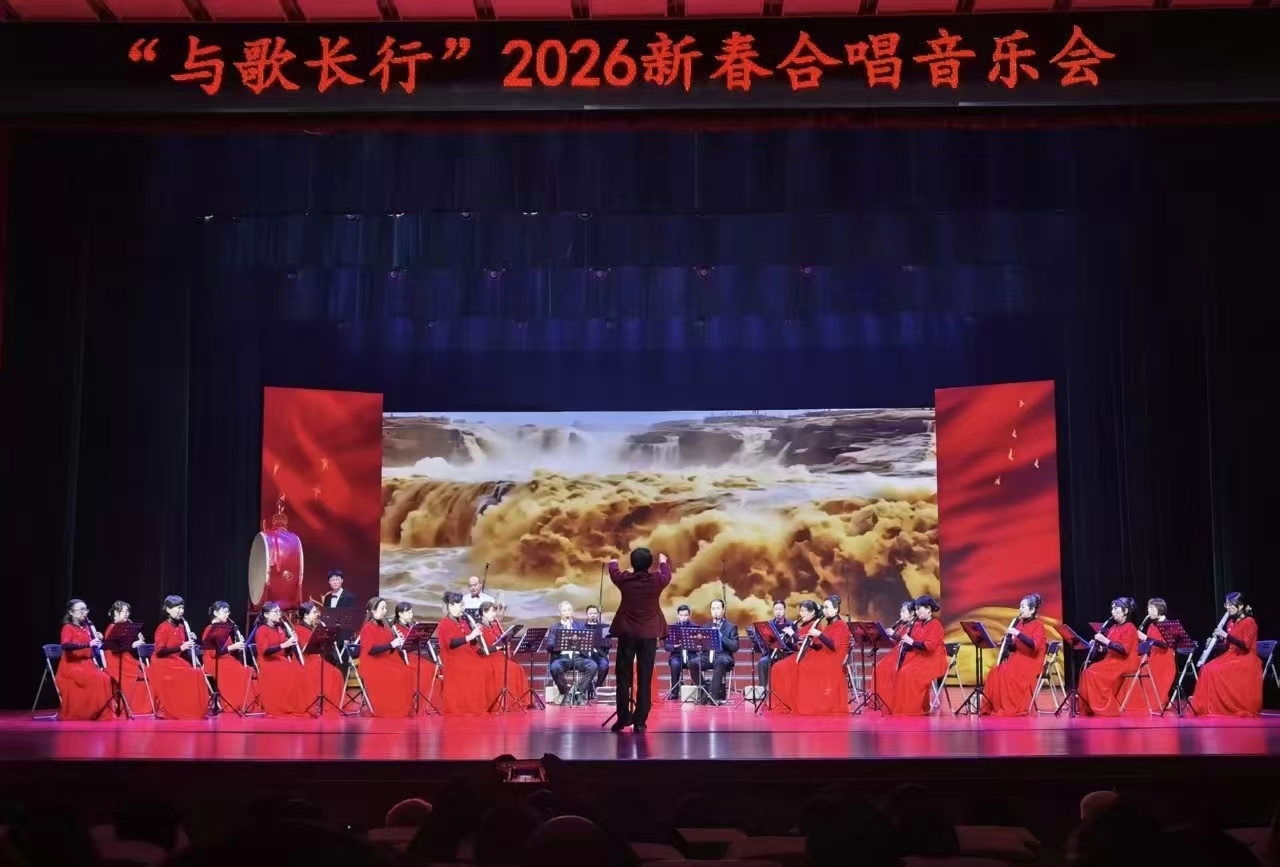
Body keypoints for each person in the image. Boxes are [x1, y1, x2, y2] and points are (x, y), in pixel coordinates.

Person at [608, 547, 672, 732]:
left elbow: (613, 571)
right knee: (645, 677)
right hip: (648, 635)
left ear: (632, 563)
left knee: (623, 677)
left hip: (627, 633)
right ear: (649, 564)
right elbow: (666, 574)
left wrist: (613, 560)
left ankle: (623, 717)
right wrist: (663, 562)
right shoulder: (656, 580)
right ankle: (640, 721)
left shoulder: (625, 580)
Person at [769, 596, 851, 714]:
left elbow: (834, 646)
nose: (824, 611)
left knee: (802, 666)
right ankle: (787, 702)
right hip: (824, 655)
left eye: (827, 607)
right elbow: (820, 647)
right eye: (824, 608)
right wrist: (811, 643)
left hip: (833, 659)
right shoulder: (829, 625)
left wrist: (819, 634)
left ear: (836, 609)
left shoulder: (841, 625)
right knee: (782, 666)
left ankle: (802, 703)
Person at [1192, 591, 1262, 717]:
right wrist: (1214, 643)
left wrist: (1225, 635)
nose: (1228, 607)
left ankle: (1222, 705)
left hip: (1246, 658)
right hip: (1232, 655)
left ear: (1240, 606)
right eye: (1226, 604)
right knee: (1206, 668)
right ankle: (1208, 705)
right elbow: (1226, 646)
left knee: (1214, 671)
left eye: (1231, 604)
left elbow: (1245, 645)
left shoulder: (1249, 621)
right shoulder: (1231, 623)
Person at [980, 594, 1048, 716]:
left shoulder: (1038, 625)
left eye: (1023, 607)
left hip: (1031, 661)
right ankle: (998, 705)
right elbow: (1015, 647)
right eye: (1020, 606)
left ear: (1032, 610)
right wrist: (1007, 642)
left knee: (1007, 675)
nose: (1020, 609)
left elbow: (1034, 645)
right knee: (995, 672)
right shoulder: (1020, 624)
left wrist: (1017, 633)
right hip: (1018, 658)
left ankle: (1009, 706)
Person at [885, 595, 948, 716]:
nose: (917, 612)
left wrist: (911, 642)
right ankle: (906, 706)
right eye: (916, 609)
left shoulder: (936, 624)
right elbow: (911, 642)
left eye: (920, 608)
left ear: (928, 609)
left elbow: (930, 646)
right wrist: (901, 639)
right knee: (901, 671)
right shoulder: (918, 624)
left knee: (908, 673)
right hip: (921, 656)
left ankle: (913, 708)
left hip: (934, 658)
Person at [1077, 596, 1140, 717]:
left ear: (1125, 611)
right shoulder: (1114, 627)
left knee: (1093, 673)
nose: (1112, 611)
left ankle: (1104, 706)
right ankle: (1089, 706)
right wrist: (1100, 647)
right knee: (1088, 671)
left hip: (1125, 662)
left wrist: (1105, 640)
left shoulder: (1130, 628)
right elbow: (1110, 648)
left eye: (1116, 609)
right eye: (1112, 609)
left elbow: (1124, 650)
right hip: (1112, 660)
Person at [249, 602, 312, 718]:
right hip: (267, 663)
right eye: (276, 612)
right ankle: (285, 705)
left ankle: (296, 704)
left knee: (301, 671)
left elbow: (285, 652)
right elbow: (265, 651)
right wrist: (285, 644)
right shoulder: (262, 630)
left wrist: (292, 642)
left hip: (279, 660)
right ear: (266, 615)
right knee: (293, 673)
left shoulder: (279, 628)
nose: (279, 614)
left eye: (279, 611)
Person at [151, 595, 210, 719]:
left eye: (182, 608)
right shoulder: (163, 627)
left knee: (198, 673)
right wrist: (181, 647)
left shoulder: (181, 627)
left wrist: (189, 639)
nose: (181, 611)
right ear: (168, 609)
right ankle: (182, 709)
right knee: (192, 674)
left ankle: (194, 709)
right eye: (177, 608)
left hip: (175, 661)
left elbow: (181, 646)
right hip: (162, 663)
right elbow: (159, 652)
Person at [55, 599, 114, 720]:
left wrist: (97, 638)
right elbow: (65, 645)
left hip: (87, 663)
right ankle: (87, 713)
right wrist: (88, 644)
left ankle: (97, 712)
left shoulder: (86, 627)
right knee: (97, 679)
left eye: (85, 609)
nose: (85, 612)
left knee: (106, 678)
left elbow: (92, 646)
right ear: (71, 612)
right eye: (81, 610)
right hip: (72, 665)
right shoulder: (67, 627)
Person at [436, 591, 492, 713]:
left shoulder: (462, 621)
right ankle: (467, 706)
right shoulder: (444, 623)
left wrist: (476, 634)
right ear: (451, 606)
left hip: (466, 654)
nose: (463, 607)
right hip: (453, 657)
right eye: (460, 605)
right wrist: (470, 636)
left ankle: (477, 704)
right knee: (475, 668)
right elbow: (450, 644)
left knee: (483, 665)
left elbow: (471, 643)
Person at [357, 596, 413, 717]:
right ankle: (389, 708)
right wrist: (391, 644)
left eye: (385, 608)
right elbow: (371, 650)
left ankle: (399, 706)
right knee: (396, 673)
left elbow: (388, 646)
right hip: (372, 662)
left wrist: (397, 642)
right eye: (382, 608)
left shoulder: (384, 625)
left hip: (384, 658)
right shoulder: (367, 627)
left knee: (405, 670)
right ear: (373, 610)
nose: (385, 611)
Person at [202, 601, 255, 713]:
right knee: (235, 670)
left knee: (247, 670)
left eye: (228, 612)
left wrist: (238, 645)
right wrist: (232, 647)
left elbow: (227, 650)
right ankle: (233, 703)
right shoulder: (210, 629)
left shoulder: (224, 629)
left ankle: (244, 703)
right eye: (225, 612)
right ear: (216, 613)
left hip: (224, 659)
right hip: (213, 661)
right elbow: (213, 654)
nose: (228, 614)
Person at [295, 601, 347, 714]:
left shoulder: (315, 626)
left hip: (316, 659)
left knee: (337, 673)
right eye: (314, 612)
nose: (317, 614)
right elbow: (304, 649)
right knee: (330, 673)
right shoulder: (299, 628)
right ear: (306, 615)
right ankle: (323, 703)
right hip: (307, 660)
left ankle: (333, 702)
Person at [103, 600, 151, 714]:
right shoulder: (112, 628)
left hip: (125, 658)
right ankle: (133, 707)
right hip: (115, 661)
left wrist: (138, 640)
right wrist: (133, 644)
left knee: (148, 670)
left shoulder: (123, 626)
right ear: (116, 613)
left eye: (128, 612)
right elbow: (114, 650)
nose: (127, 614)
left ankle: (144, 706)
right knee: (139, 672)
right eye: (124, 611)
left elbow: (126, 647)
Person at [479, 599, 528, 707]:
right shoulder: (479, 627)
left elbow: (499, 641)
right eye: (492, 611)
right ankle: (506, 702)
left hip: (498, 657)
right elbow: (480, 650)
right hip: (488, 658)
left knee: (517, 668)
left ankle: (516, 700)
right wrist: (497, 647)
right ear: (484, 612)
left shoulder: (494, 626)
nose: (494, 614)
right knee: (513, 669)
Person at [547, 601, 599, 704]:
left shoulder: (580, 625)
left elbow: (586, 641)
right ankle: (566, 693)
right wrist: (561, 636)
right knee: (554, 667)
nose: (567, 612)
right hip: (562, 658)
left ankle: (579, 693)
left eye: (569, 610)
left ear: (572, 612)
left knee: (592, 665)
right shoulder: (555, 627)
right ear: (560, 613)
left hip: (578, 657)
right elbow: (549, 647)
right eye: (564, 610)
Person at [391, 601, 439, 710]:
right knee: (423, 668)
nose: (411, 615)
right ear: (400, 614)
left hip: (414, 655)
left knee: (431, 667)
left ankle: (425, 700)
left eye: (411, 612)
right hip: (404, 657)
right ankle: (417, 701)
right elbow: (400, 648)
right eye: (408, 612)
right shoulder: (395, 627)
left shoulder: (413, 625)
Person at [1134, 597, 1175, 709]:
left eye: (1152, 608)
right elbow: (1149, 644)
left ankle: (1161, 701)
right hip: (1152, 656)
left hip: (1164, 659)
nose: (1149, 611)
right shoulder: (1152, 625)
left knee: (1155, 702)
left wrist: (1145, 638)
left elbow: (1165, 645)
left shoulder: (1168, 624)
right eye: (1148, 608)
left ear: (1160, 609)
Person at [870, 601, 913, 703]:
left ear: (912, 613)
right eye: (901, 611)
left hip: (906, 655)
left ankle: (888, 698)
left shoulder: (913, 625)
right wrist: (886, 637)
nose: (901, 614)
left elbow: (908, 642)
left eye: (904, 611)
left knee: (882, 669)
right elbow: (896, 642)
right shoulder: (901, 625)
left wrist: (894, 635)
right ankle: (880, 698)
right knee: (878, 668)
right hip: (896, 653)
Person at [705, 598, 739, 702]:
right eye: (713, 609)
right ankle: (704, 692)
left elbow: (735, 647)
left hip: (724, 656)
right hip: (708, 656)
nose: (715, 611)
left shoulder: (731, 627)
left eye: (718, 608)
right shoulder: (706, 626)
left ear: (723, 610)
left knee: (720, 661)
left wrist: (720, 636)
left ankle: (712, 695)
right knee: (693, 663)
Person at [756, 600, 796, 689]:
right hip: (772, 653)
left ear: (784, 610)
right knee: (762, 663)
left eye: (780, 609)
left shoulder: (791, 624)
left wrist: (790, 637)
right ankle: (762, 690)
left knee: (782, 664)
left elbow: (795, 643)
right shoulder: (769, 624)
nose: (778, 612)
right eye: (776, 609)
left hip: (786, 654)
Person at [664, 604, 697, 699]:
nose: (683, 617)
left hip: (691, 654)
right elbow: (666, 646)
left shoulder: (695, 627)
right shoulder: (671, 628)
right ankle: (674, 692)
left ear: (689, 616)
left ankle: (695, 690)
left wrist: (690, 645)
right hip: (676, 655)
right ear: (678, 615)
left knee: (696, 663)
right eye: (681, 615)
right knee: (675, 664)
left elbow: (699, 645)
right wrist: (674, 646)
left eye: (685, 615)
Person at [585, 604, 612, 688]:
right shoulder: (582, 627)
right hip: (585, 655)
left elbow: (608, 643)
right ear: (586, 614)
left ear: (597, 614)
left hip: (600, 655)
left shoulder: (604, 627)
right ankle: (587, 686)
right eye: (590, 613)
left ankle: (598, 686)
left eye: (595, 613)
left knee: (604, 666)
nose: (593, 615)